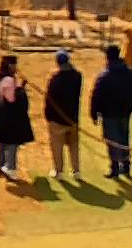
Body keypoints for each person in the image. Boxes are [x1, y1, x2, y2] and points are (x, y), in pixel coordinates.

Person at [90, 44, 132, 178]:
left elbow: (96, 96)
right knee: (124, 138)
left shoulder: (104, 76)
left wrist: (94, 113)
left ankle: (115, 167)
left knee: (112, 140)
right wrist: (131, 104)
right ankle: (126, 165)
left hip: (109, 113)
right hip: (125, 110)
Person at [0, 55, 35, 180]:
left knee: (3, 142)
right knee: (12, 144)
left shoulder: (3, 78)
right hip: (10, 117)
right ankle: (10, 169)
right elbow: (12, 99)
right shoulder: (8, 80)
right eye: (14, 64)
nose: (16, 67)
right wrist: (22, 90)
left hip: (3, 116)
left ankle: (1, 166)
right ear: (10, 65)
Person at [44, 48, 83, 180]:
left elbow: (49, 99)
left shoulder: (55, 79)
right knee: (74, 146)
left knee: (57, 147)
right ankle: (76, 171)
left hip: (57, 119)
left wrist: (48, 116)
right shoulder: (77, 76)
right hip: (73, 118)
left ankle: (59, 171)